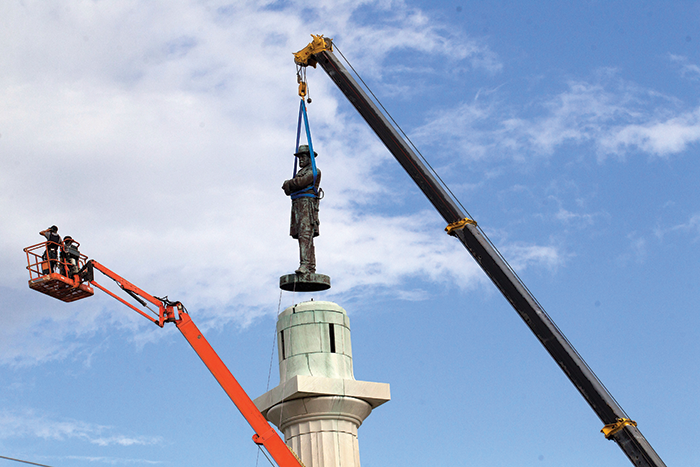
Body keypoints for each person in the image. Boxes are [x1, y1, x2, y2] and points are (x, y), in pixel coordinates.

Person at [282, 145, 322, 275]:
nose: (300, 160)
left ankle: (306, 265)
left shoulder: (314, 171)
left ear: (310, 158)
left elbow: (300, 183)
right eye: (299, 157)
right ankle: (310, 266)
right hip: (299, 205)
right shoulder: (301, 172)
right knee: (303, 235)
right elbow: (289, 189)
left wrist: (290, 183)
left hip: (307, 205)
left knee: (306, 234)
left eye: (303, 157)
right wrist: (291, 184)